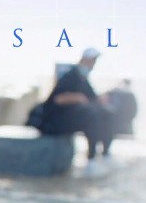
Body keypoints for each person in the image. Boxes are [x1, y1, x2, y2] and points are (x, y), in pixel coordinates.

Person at [40, 48, 115, 177]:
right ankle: (90, 161)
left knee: (107, 113)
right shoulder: (70, 76)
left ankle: (105, 155)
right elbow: (58, 99)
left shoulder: (83, 79)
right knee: (91, 115)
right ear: (84, 60)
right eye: (92, 61)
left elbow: (93, 99)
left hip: (72, 119)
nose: (93, 64)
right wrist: (76, 97)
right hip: (54, 122)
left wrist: (102, 99)